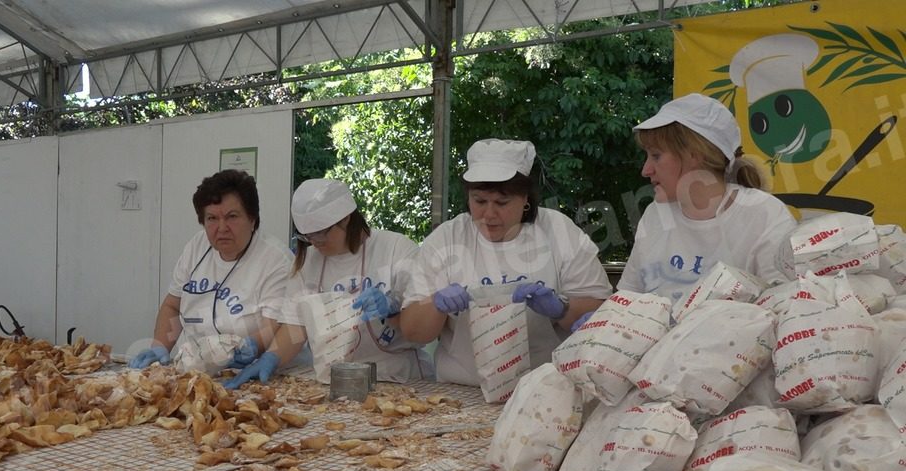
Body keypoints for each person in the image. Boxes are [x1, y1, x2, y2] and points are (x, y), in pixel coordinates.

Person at [398, 138, 613, 387]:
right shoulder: (447, 239)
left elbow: (600, 314)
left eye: (502, 203)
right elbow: (413, 332)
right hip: (462, 389)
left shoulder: (559, 232)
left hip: (548, 388)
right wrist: (435, 305)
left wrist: (561, 308)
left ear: (525, 199)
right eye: (479, 201)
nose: (489, 214)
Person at [225, 178, 432, 388]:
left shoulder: (396, 249)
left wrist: (393, 309)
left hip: (399, 378)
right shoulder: (308, 263)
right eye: (307, 237)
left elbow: (425, 324)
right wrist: (271, 357)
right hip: (336, 380)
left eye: (321, 233)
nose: (315, 242)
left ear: (346, 218)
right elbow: (295, 327)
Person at [615, 92, 798, 303]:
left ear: (695, 154)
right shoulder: (655, 215)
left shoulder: (764, 214)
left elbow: (785, 305)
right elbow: (626, 301)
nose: (646, 170)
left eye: (656, 155)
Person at [129, 169, 291, 370]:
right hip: (198, 368)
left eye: (232, 216)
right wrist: (160, 346)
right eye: (212, 218)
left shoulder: (276, 260)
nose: (222, 227)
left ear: (252, 219)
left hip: (256, 371)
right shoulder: (196, 247)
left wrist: (249, 349)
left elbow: (272, 326)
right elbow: (173, 306)